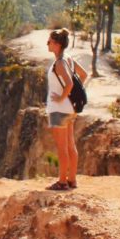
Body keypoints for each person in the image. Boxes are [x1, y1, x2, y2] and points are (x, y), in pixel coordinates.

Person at [45, 28, 88, 190]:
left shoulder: (60, 62)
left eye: (49, 41)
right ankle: (72, 180)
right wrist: (70, 97)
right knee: (70, 145)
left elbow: (69, 83)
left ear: (56, 44)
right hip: (69, 108)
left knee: (62, 147)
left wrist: (61, 97)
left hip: (59, 109)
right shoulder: (68, 59)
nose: (47, 44)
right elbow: (83, 75)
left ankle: (62, 181)